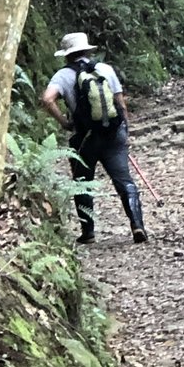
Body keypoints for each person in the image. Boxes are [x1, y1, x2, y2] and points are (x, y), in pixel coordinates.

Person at [41, 32, 148, 245]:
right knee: (124, 180)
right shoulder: (105, 69)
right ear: (88, 50)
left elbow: (47, 99)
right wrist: (125, 131)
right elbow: (120, 103)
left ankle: (88, 232)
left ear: (67, 55)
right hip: (113, 133)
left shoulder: (63, 76)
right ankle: (137, 225)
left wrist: (64, 122)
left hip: (85, 138)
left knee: (83, 183)